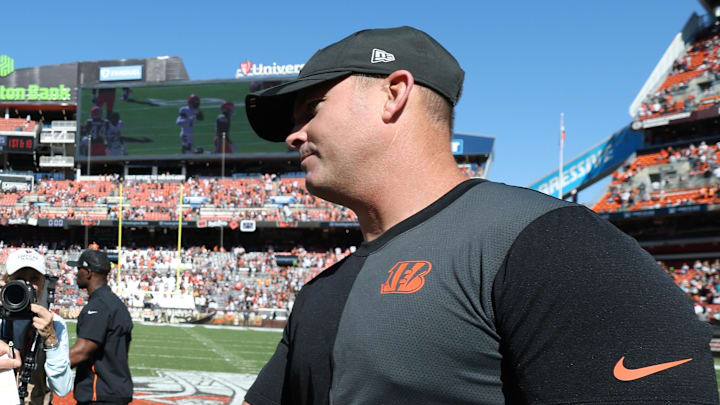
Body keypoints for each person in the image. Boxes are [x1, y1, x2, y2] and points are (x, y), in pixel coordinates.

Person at [242, 26, 719, 404]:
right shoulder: (318, 293)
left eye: (311, 107)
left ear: (394, 94)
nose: (294, 135)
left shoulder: (548, 243)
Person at [0, 248, 72, 405]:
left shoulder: (55, 323)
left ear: (43, 282)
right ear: (6, 281)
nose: (27, 285)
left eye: (34, 279)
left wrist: (51, 339)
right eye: (19, 278)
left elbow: (62, 388)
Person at [68, 249, 133, 405]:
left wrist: (46, 368)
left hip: (101, 393)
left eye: (79, 269)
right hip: (113, 391)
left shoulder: (99, 306)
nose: (76, 274)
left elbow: (82, 352)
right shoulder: (113, 302)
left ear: (89, 273)